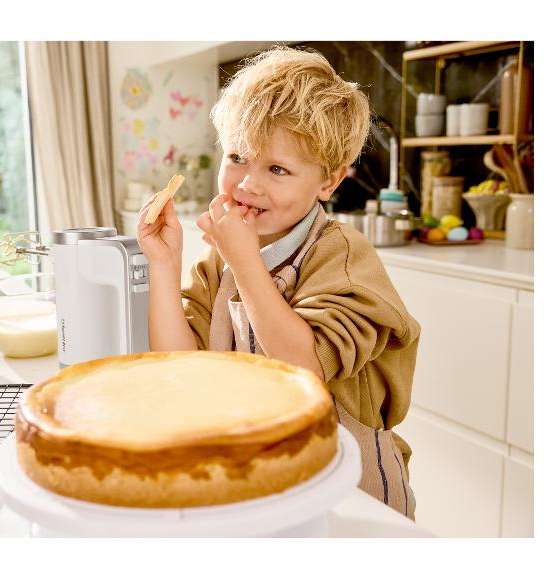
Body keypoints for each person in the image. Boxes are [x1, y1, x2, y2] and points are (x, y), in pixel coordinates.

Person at [137, 46, 420, 519]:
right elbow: (184, 364)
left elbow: (305, 368)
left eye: (278, 169)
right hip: (266, 476)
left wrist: (245, 263)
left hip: (350, 491)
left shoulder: (341, 254)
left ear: (327, 183)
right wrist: (165, 265)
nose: (248, 184)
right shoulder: (223, 255)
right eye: (238, 157)